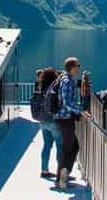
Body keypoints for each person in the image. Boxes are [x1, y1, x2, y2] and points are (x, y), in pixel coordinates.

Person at [54, 57, 91, 190]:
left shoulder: (65, 78)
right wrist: (80, 112)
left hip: (64, 118)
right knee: (67, 148)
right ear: (72, 67)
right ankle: (62, 179)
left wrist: (80, 110)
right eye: (78, 65)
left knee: (73, 146)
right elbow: (66, 102)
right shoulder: (67, 81)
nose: (79, 68)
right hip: (65, 118)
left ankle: (64, 173)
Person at [35, 68, 61, 178]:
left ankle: (44, 170)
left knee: (46, 145)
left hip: (42, 121)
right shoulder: (54, 88)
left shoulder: (40, 87)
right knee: (60, 146)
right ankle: (61, 173)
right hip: (53, 121)